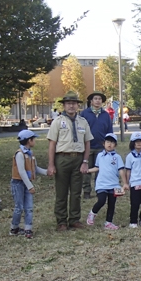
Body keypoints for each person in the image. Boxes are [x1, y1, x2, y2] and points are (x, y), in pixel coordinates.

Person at [47, 91, 93, 231]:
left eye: (74, 104)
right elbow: (52, 144)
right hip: (62, 158)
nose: (71, 106)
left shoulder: (83, 122)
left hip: (78, 159)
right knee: (61, 192)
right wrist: (51, 164)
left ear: (78, 106)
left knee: (76, 192)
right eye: (68, 104)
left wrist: (85, 161)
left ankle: (74, 219)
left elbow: (87, 143)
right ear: (64, 105)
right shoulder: (57, 122)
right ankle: (61, 221)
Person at [85, 133, 129, 230]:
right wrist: (88, 170)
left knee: (112, 204)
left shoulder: (117, 157)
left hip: (114, 185)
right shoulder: (100, 155)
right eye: (108, 142)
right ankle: (92, 214)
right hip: (101, 184)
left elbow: (121, 170)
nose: (109, 144)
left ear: (115, 145)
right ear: (104, 143)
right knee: (101, 200)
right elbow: (97, 167)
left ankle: (108, 222)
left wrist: (125, 183)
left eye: (112, 142)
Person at [10, 130, 47, 239]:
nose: (35, 141)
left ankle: (28, 228)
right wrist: (30, 186)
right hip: (19, 183)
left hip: (27, 182)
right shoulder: (20, 154)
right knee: (19, 207)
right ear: (28, 140)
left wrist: (46, 172)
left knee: (29, 207)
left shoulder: (31, 154)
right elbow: (21, 172)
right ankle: (14, 228)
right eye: (33, 139)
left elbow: (35, 168)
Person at [81, 92, 113, 200]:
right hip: (88, 147)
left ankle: (99, 190)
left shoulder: (106, 115)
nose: (98, 101)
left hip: (101, 146)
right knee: (87, 170)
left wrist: (109, 143)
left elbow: (110, 131)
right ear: (91, 101)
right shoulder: (84, 114)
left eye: (100, 99)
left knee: (100, 170)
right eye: (95, 98)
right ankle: (86, 191)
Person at [125, 132, 141, 228]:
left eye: (140, 141)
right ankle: (133, 220)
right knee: (135, 202)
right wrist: (127, 183)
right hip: (135, 182)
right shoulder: (130, 156)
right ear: (132, 143)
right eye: (136, 142)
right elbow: (128, 170)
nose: (138, 143)